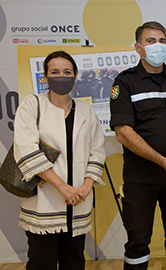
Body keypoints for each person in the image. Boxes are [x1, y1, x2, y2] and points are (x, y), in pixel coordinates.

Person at [109, 21, 166, 270]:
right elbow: (123, 133)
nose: (158, 46)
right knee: (138, 242)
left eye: (162, 40)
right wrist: (163, 162)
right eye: (151, 41)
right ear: (138, 48)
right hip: (141, 179)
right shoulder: (125, 82)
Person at [13, 50, 106, 269]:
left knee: (73, 261)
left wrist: (86, 185)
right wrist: (63, 187)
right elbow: (27, 151)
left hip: (79, 201)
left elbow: (97, 150)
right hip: (45, 201)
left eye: (67, 71)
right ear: (45, 76)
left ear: (75, 76)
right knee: (41, 261)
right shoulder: (31, 106)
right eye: (54, 72)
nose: (61, 76)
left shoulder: (87, 111)